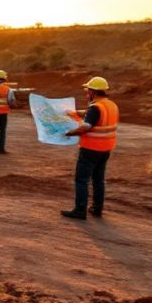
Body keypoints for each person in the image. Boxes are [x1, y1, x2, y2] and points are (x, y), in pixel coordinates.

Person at [61, 77, 119, 220]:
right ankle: (97, 209)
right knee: (98, 180)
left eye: (88, 91)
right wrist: (74, 113)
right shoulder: (111, 105)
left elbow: (87, 126)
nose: (87, 94)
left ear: (93, 92)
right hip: (106, 149)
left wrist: (70, 133)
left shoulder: (96, 107)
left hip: (90, 149)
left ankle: (80, 211)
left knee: (81, 180)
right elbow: (91, 115)